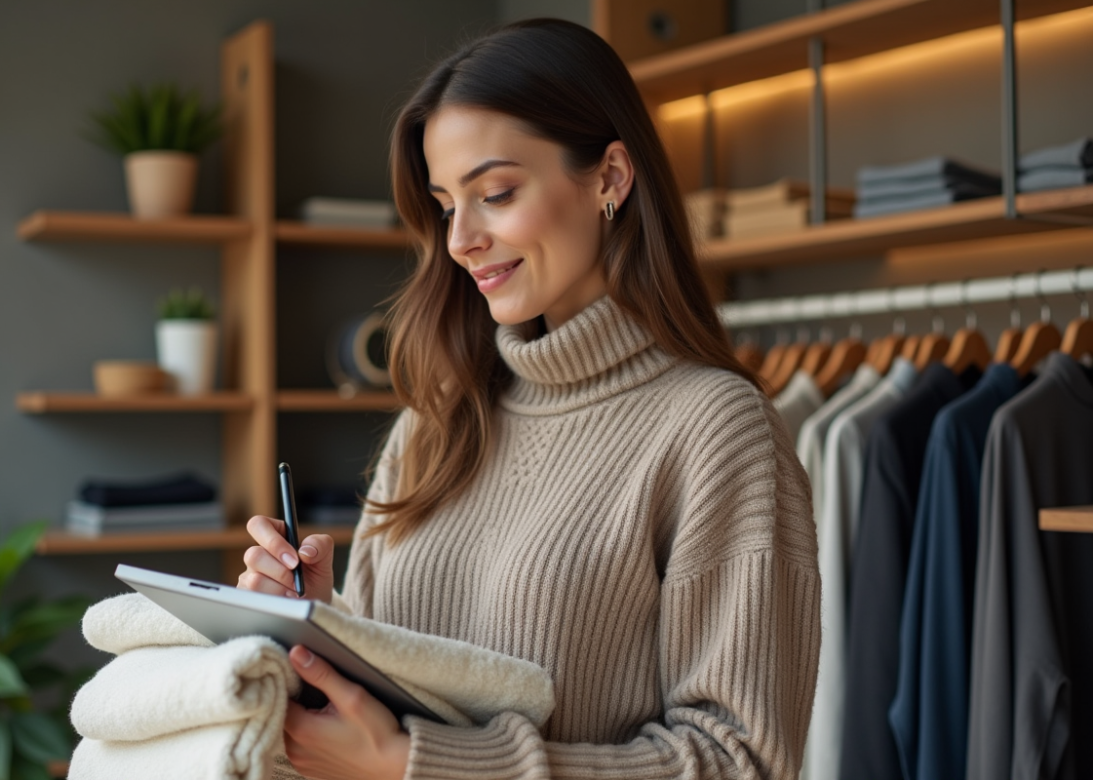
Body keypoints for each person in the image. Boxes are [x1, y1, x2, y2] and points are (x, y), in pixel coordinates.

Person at [240, 18, 820, 780]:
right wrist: (323, 626)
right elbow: (403, 695)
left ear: (610, 178)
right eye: (447, 204)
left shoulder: (715, 429)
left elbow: (739, 760)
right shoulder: (437, 419)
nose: (460, 239)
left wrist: (418, 763)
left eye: (497, 193)